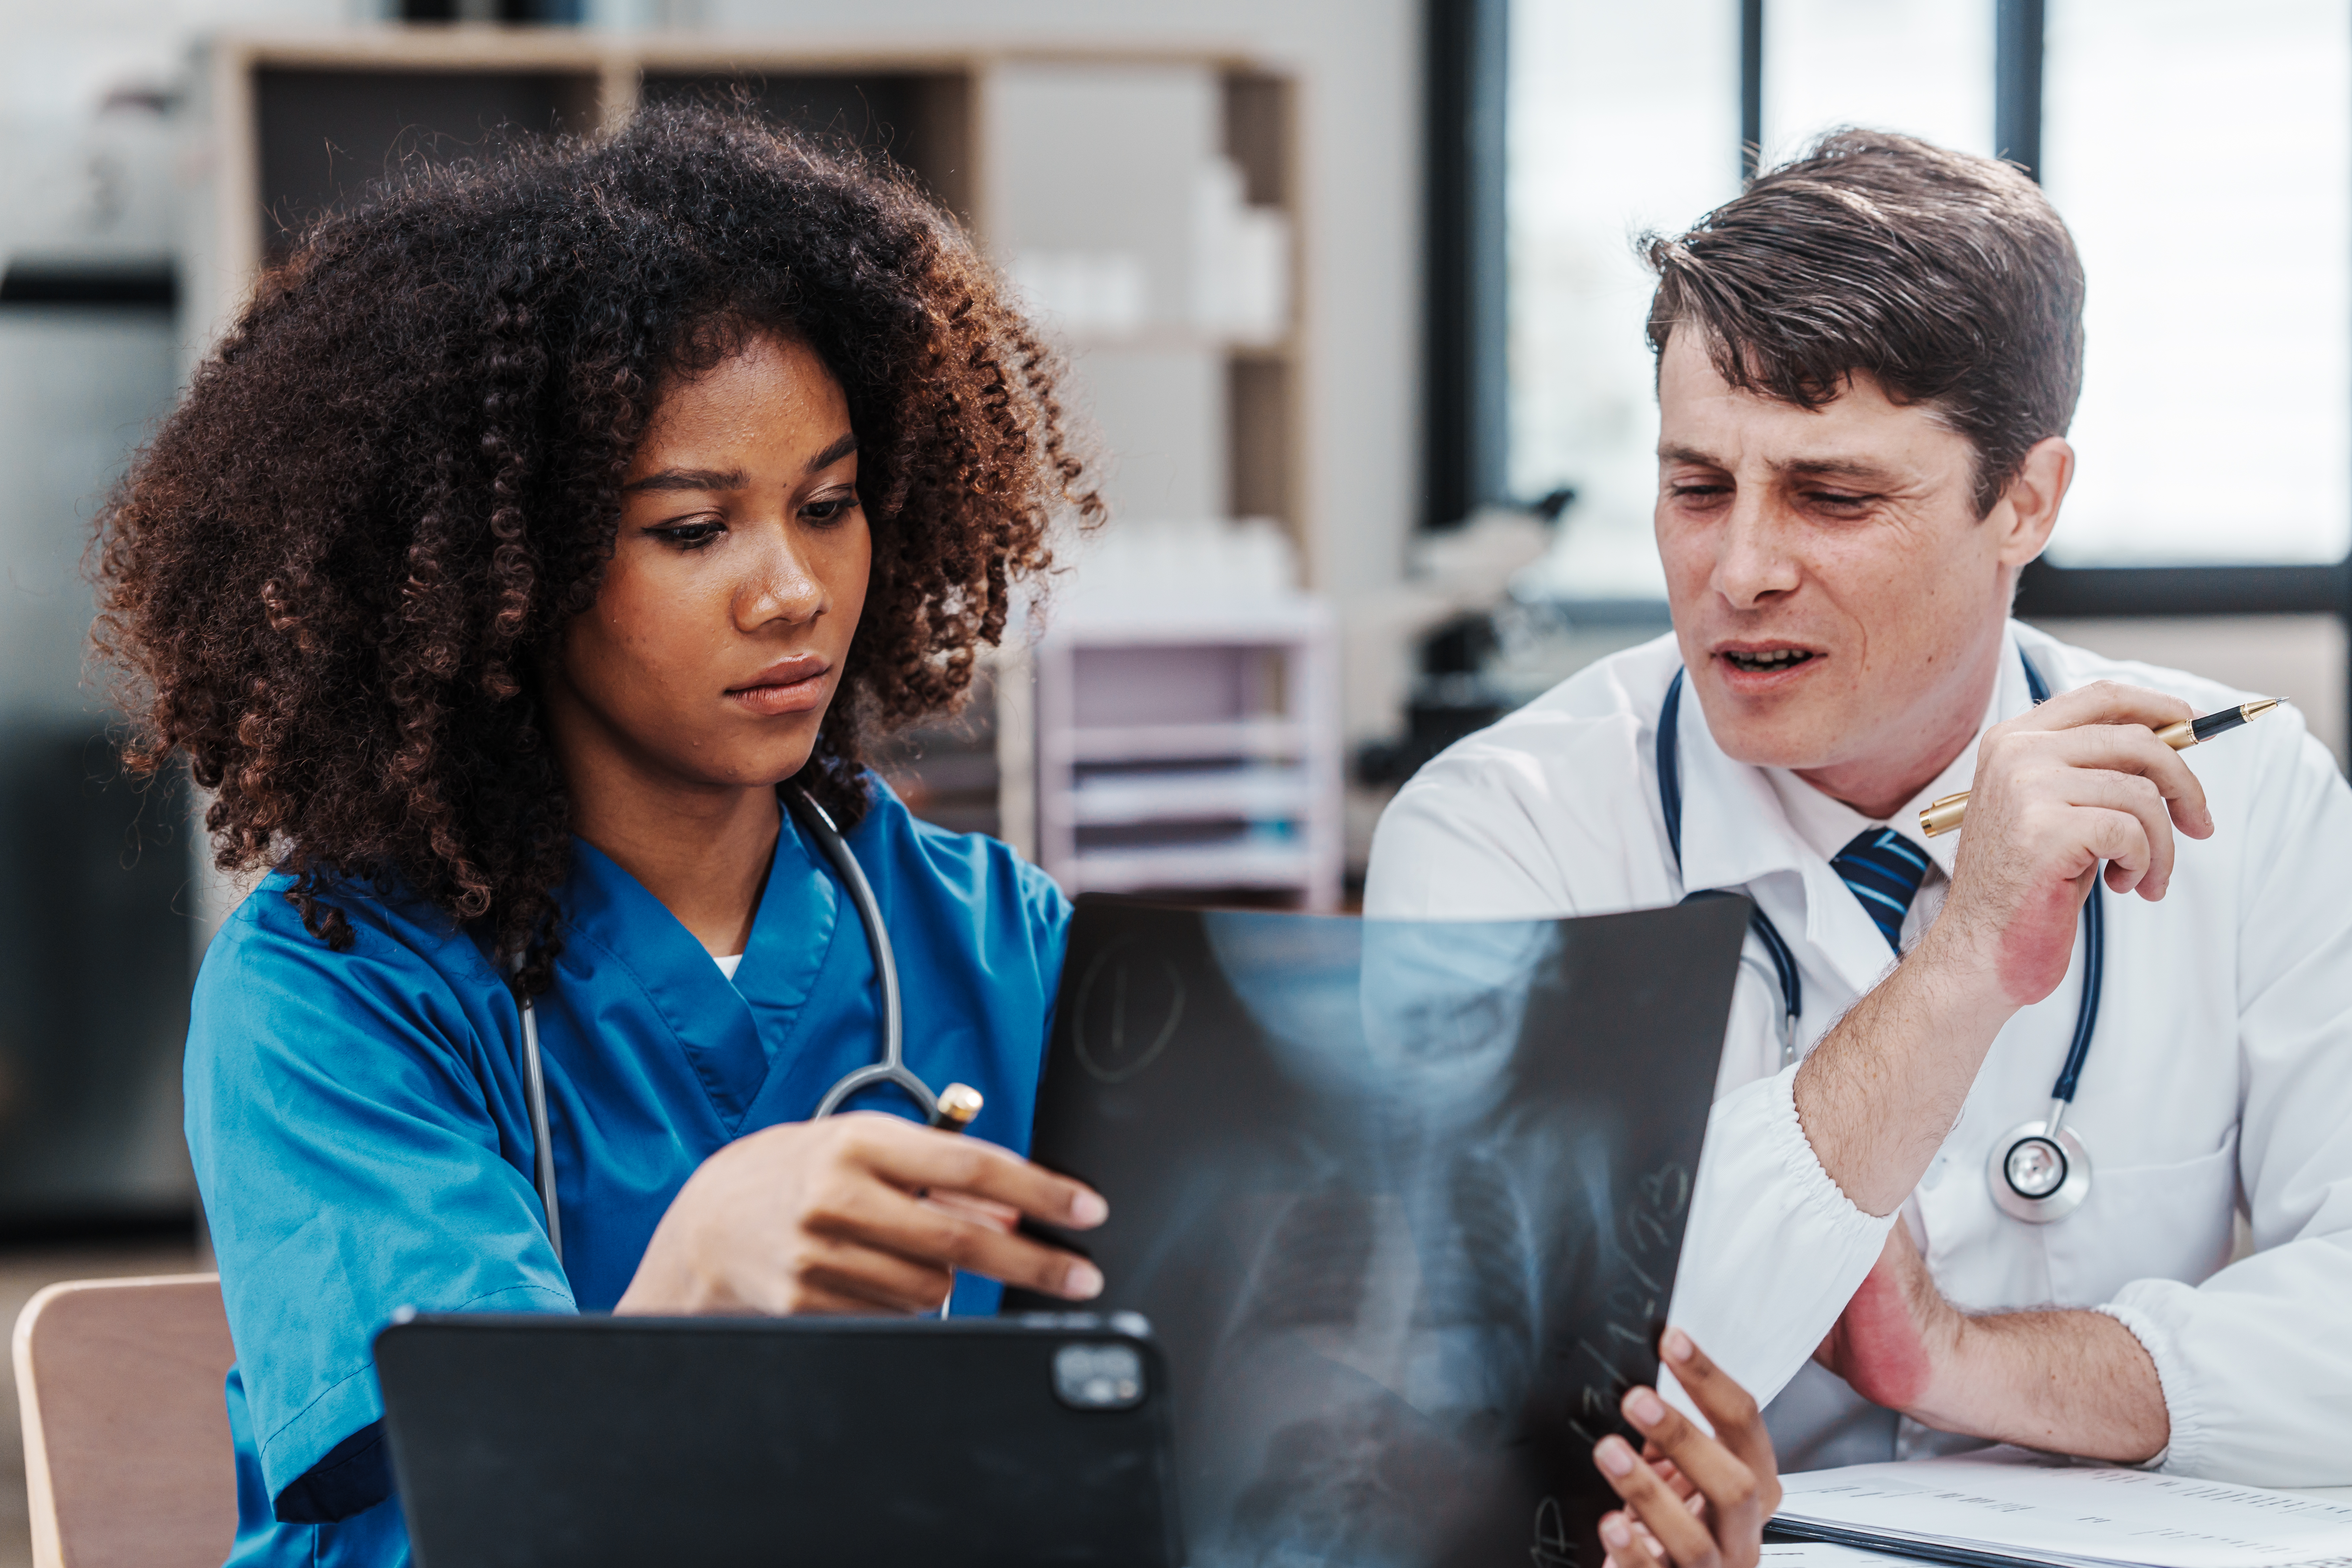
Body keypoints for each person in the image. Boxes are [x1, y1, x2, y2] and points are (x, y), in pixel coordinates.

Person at [95, 108, 1116, 1566]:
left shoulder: (993, 936)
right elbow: (477, 1512)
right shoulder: (334, 994)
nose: (793, 591)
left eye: (828, 507)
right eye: (694, 531)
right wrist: (690, 1284)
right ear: (508, 579)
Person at [1366, 130, 2352, 1482]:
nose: (1743, 569)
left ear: (2026, 501)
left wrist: (1957, 1361)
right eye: (1695, 488)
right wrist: (1962, 962)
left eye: (1833, 496)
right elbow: (1540, 1392)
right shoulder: (1499, 837)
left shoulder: (2248, 790)